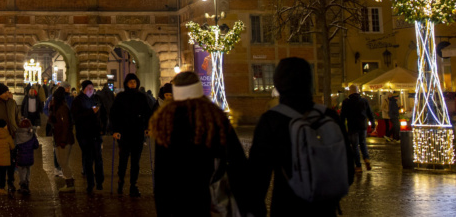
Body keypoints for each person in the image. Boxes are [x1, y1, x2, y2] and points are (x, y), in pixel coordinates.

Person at [249, 57, 354, 217]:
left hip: (287, 207)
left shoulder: (272, 120)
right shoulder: (329, 115)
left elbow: (257, 179)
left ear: (278, 83)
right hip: (325, 210)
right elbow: (348, 170)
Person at [151, 72, 252, 216]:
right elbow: (237, 159)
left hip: (175, 196)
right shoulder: (214, 116)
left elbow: (162, 172)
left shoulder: (166, 120)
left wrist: (162, 208)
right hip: (207, 193)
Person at [110, 72, 152, 196]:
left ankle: (133, 184)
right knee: (123, 159)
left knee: (136, 161)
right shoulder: (120, 97)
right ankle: (121, 180)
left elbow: (147, 113)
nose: (132, 84)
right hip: (124, 133)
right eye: (130, 82)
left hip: (138, 133)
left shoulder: (142, 97)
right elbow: (114, 114)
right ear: (126, 84)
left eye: (134, 82)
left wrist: (147, 127)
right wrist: (115, 130)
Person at [71, 79, 106, 194]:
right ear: (84, 89)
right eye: (89, 88)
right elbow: (76, 117)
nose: (91, 90)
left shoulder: (96, 99)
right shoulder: (78, 101)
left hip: (96, 134)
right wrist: (91, 112)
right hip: (84, 135)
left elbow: (103, 114)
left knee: (98, 158)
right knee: (88, 159)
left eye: (92, 88)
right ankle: (90, 184)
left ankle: (100, 182)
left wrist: (103, 128)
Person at [340, 85, 375, 173]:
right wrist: (373, 124)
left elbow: (342, 116)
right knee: (363, 143)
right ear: (358, 91)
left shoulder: (346, 102)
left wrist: (342, 127)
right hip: (363, 125)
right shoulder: (364, 101)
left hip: (352, 126)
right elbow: (370, 113)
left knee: (355, 146)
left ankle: (358, 166)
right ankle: (366, 158)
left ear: (350, 92)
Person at [48, 85, 76, 192]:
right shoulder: (57, 108)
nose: (52, 100)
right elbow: (54, 122)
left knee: (63, 162)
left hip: (64, 140)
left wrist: (63, 140)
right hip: (59, 139)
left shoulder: (62, 108)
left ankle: (70, 183)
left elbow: (65, 125)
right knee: (61, 161)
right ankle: (69, 181)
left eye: (54, 98)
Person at [15, 118, 40, 194]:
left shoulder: (17, 135)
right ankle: (27, 185)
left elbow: (14, 146)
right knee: (28, 171)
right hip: (29, 158)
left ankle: (23, 186)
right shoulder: (31, 136)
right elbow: (36, 145)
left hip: (20, 158)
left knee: (22, 172)